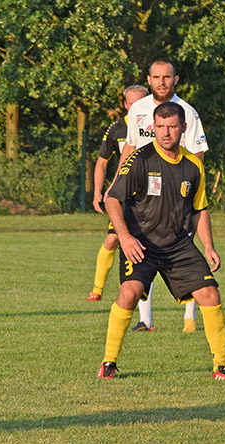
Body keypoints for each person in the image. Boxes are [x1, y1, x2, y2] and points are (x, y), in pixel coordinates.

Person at [97, 101, 225, 381]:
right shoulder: (140, 159)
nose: (165, 132)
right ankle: (108, 363)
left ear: (183, 128)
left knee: (210, 294)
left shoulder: (193, 165)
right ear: (153, 127)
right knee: (129, 293)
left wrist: (209, 246)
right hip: (141, 244)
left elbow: (199, 209)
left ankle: (220, 367)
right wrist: (124, 237)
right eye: (160, 126)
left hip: (178, 246)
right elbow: (112, 198)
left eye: (172, 126)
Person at [111, 59, 208, 333]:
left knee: (185, 254)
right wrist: (116, 183)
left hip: (175, 198)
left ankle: (189, 316)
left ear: (175, 79)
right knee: (141, 254)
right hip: (141, 196)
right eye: (156, 77)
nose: (161, 82)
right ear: (149, 79)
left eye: (167, 77)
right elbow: (130, 147)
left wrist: (186, 190)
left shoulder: (188, 112)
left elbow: (197, 155)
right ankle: (146, 320)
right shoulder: (138, 110)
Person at [86, 85, 148, 302]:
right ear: (125, 105)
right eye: (132, 103)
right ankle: (97, 290)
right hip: (125, 194)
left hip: (151, 194)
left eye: (140, 102)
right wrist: (98, 192)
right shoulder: (117, 129)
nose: (136, 107)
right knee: (113, 239)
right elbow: (102, 162)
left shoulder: (158, 125)